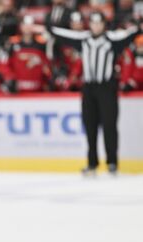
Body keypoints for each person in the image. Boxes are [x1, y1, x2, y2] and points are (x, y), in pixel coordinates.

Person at [41, 11, 141, 175]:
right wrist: (48, 26)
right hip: (88, 89)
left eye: (99, 23)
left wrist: (137, 25)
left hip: (107, 88)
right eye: (93, 23)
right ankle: (92, 163)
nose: (96, 26)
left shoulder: (112, 39)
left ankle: (112, 163)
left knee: (109, 126)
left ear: (104, 24)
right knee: (90, 126)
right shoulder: (83, 39)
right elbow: (62, 34)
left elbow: (131, 33)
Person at [0, 15, 51, 93]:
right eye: (25, 25)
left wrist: (47, 80)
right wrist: (10, 78)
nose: (28, 27)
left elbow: (47, 66)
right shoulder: (11, 44)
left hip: (38, 90)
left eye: (30, 25)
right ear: (21, 26)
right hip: (17, 91)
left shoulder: (41, 45)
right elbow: (3, 64)